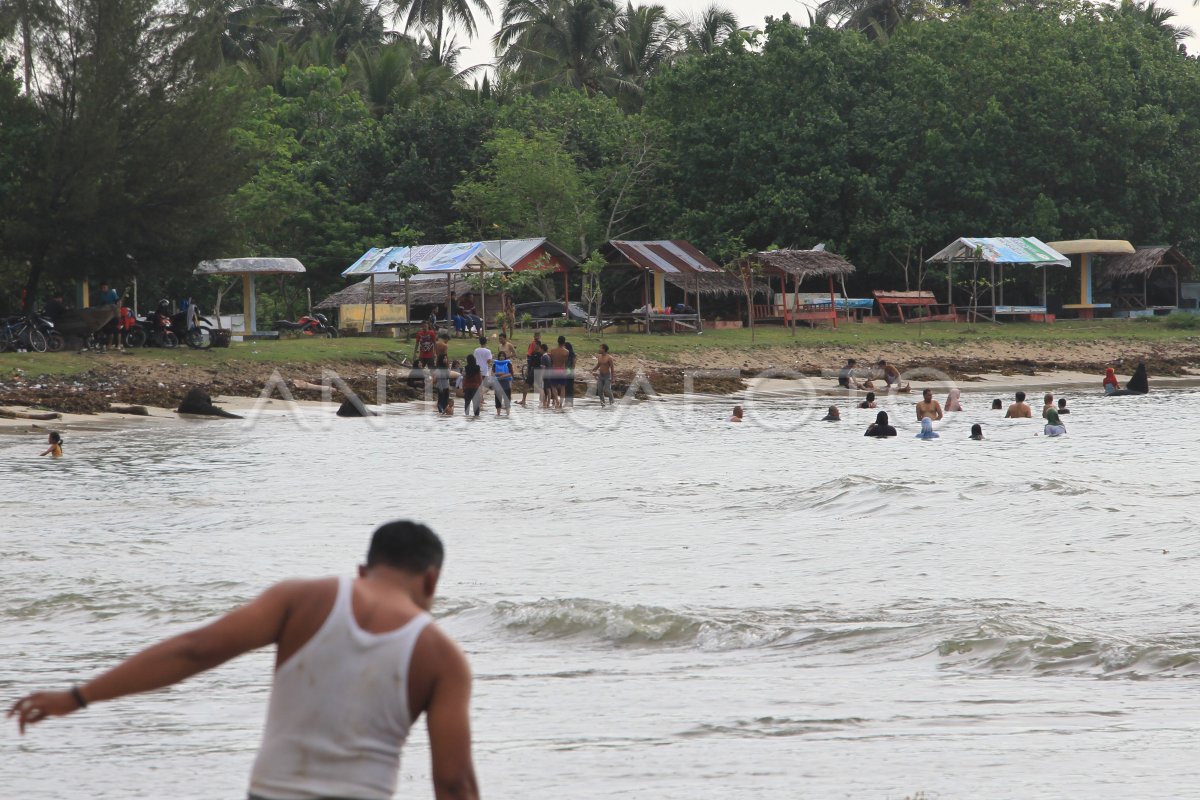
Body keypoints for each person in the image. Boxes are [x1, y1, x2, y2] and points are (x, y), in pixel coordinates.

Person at [7, 520, 480, 800]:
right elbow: (453, 781)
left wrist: (79, 696)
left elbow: (194, 650)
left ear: (363, 569)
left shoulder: (302, 599)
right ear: (432, 581)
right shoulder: (443, 657)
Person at [519, 332, 542, 406]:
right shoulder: (532, 354)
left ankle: (544, 401)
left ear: (539, 346)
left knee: (538, 386)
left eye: (536, 346)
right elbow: (530, 363)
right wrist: (527, 371)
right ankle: (523, 400)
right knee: (526, 385)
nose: (535, 347)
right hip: (532, 371)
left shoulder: (541, 355)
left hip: (537, 372)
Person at [549, 336, 571, 409]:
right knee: (563, 387)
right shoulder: (566, 352)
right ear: (564, 342)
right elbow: (565, 361)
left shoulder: (552, 351)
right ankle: (561, 404)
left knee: (553, 386)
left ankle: (556, 400)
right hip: (562, 370)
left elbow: (552, 360)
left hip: (554, 369)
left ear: (557, 341)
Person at [492, 348, 514, 416]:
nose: (501, 357)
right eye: (500, 356)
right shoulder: (495, 364)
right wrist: (499, 374)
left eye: (503, 356)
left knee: (507, 398)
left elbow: (511, 373)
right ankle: (498, 414)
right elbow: (492, 373)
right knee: (498, 398)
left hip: (506, 382)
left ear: (505, 357)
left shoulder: (508, 363)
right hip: (497, 382)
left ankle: (508, 414)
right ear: (498, 357)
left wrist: (503, 376)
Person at [539, 343, 552, 408]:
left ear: (543, 349)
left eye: (540, 349)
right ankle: (547, 403)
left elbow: (543, 368)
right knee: (548, 389)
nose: (539, 350)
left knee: (545, 389)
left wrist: (541, 376)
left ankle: (546, 403)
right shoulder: (548, 356)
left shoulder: (543, 357)